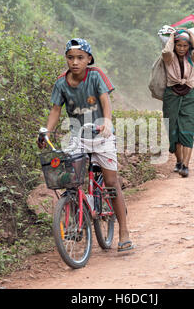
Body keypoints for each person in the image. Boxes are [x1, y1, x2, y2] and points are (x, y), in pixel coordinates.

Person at [37, 38, 134, 252]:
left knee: (111, 181)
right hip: (78, 136)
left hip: (101, 135)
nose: (75, 62)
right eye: (70, 58)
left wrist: (107, 122)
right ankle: (74, 222)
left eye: (80, 58)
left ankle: (124, 232)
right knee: (71, 181)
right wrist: (47, 131)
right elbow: (55, 110)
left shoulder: (96, 75)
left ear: (88, 59)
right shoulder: (61, 82)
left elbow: (105, 100)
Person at [161, 29, 194, 177]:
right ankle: (179, 161)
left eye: (185, 46)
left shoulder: (193, 57)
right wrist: (172, 36)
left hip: (189, 97)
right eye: (179, 45)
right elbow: (166, 51)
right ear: (175, 46)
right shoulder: (169, 58)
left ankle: (185, 165)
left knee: (188, 129)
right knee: (174, 131)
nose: (182, 49)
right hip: (171, 96)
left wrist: (189, 33)